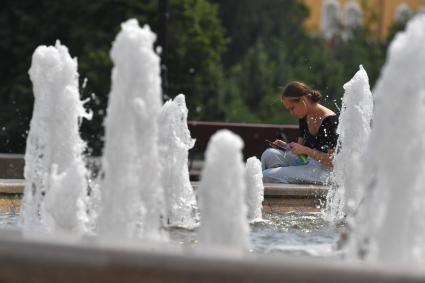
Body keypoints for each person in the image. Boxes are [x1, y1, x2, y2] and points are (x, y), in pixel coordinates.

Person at [261, 81, 338, 184]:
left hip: (323, 171)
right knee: (268, 154)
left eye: (292, 108)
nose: (292, 113)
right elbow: (301, 153)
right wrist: (287, 147)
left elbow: (331, 162)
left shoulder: (330, 121)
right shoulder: (304, 115)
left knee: (266, 175)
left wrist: (306, 150)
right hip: (307, 162)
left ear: (303, 100)